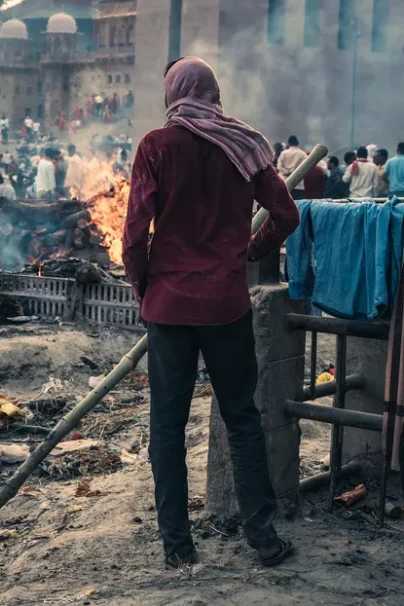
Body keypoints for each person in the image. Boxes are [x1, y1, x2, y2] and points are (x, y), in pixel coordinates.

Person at [122, 57, 299, 570]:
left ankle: (178, 548)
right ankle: (263, 537)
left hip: (169, 307)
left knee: (168, 425)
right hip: (225, 305)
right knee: (242, 418)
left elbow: (134, 237)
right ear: (214, 92)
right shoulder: (245, 145)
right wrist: (247, 249)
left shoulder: (156, 146)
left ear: (173, 93)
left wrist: (143, 288)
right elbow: (286, 215)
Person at [277, 136, 307, 200]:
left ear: (289, 143)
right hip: (298, 184)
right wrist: (294, 174)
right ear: (297, 143)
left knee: (284, 203)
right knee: (297, 205)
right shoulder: (303, 154)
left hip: (285, 183)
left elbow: (279, 166)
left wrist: (287, 172)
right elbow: (306, 168)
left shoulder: (283, 153)